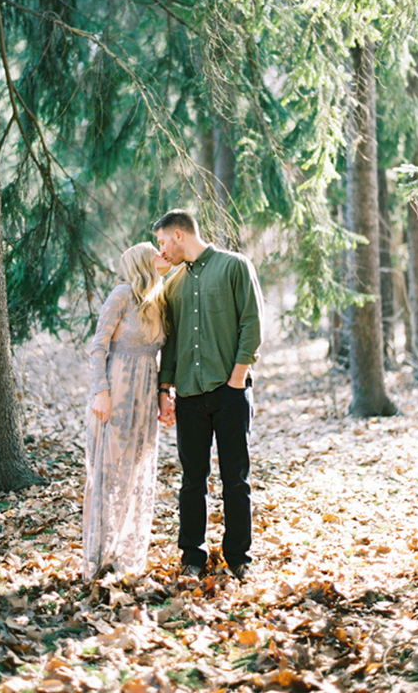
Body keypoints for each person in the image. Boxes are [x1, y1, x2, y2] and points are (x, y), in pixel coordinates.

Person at [153, 210, 264, 582]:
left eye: (163, 242)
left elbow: (252, 322)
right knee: (192, 481)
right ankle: (193, 557)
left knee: (236, 478)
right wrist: (165, 390)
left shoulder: (234, 266)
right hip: (190, 398)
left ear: (179, 234)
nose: (162, 251)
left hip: (230, 392)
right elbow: (170, 343)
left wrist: (237, 379)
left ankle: (239, 557)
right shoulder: (173, 285)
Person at [82, 242, 173, 580]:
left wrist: (166, 395)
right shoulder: (121, 294)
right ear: (141, 261)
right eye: (156, 250)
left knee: (134, 472)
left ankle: (123, 554)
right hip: (116, 389)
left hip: (145, 393)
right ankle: (98, 556)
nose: (163, 253)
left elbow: (162, 355)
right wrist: (100, 392)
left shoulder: (159, 299)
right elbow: (97, 347)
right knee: (109, 473)